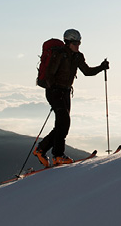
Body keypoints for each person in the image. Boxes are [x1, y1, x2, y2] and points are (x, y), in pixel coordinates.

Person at [33, 29, 109, 167]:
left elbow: (87, 72)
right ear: (68, 42)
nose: (78, 45)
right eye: (75, 43)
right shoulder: (59, 54)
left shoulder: (77, 56)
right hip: (55, 92)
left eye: (79, 42)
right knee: (63, 121)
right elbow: (49, 74)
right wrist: (54, 90)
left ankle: (41, 149)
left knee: (63, 124)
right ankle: (58, 155)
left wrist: (101, 67)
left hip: (65, 92)